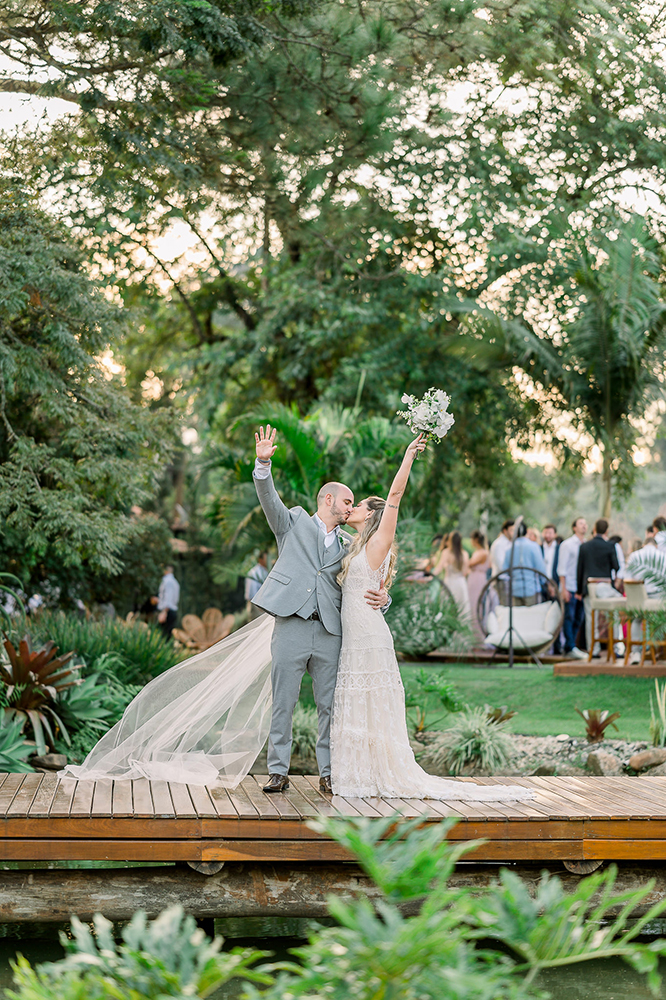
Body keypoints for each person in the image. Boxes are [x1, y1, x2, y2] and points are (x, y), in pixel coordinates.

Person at [60, 428, 533, 804]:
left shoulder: (353, 546)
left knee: (331, 707)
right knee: (282, 703)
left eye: (355, 505)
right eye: (347, 501)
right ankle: (279, 774)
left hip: (331, 633)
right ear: (329, 500)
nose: (351, 508)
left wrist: (382, 599)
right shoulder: (294, 524)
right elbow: (268, 499)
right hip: (289, 627)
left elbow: (368, 576)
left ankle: (330, 776)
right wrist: (263, 465)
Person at [329, 435, 532, 802]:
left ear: (372, 514)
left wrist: (408, 456)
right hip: (355, 635)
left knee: (371, 702)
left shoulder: (379, 541)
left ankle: (378, 776)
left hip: (369, 637)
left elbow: (394, 498)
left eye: (358, 505)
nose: (353, 508)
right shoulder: (354, 544)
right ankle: (360, 775)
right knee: (359, 704)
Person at [576, 519, 621, 656]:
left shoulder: (584, 546)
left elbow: (580, 570)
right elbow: (616, 567)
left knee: (591, 618)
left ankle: (593, 649)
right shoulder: (610, 546)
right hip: (606, 586)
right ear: (607, 531)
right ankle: (616, 648)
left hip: (590, 587)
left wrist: (579, 591)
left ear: (594, 529)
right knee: (613, 615)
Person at [558, 517, 588, 660]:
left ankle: (570, 646)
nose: (584, 526)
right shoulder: (567, 545)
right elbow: (562, 568)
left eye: (585, 523)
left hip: (580, 588)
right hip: (569, 587)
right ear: (574, 527)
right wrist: (563, 589)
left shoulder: (586, 544)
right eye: (581, 523)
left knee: (578, 618)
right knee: (569, 617)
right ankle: (569, 646)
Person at [501, 523, 547, 606]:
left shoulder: (509, 548)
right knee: (531, 616)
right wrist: (544, 582)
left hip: (515, 589)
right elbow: (541, 568)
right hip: (531, 589)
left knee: (518, 616)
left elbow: (504, 570)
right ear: (526, 532)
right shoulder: (533, 546)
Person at [431, 531, 471, 619]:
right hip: (461, 583)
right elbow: (465, 572)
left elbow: (438, 568)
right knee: (461, 609)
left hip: (450, 583)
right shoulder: (465, 554)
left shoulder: (447, 552)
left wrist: (430, 575)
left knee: (448, 608)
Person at [466, 530, 491, 639]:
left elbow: (470, 564)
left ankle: (478, 636)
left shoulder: (483, 553)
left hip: (478, 580)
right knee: (471, 604)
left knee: (477, 604)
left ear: (476, 540)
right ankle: (472, 634)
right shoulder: (478, 552)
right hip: (473, 579)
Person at [490, 519, 515, 604]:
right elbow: (501, 566)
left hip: (508, 580)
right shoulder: (499, 544)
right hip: (502, 580)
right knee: (505, 607)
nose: (514, 533)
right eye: (511, 530)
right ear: (505, 531)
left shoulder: (509, 543)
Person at [245, 551, 269, 621]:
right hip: (257, 606)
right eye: (266, 558)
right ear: (260, 560)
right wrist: (259, 606)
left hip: (264, 605)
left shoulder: (265, 571)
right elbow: (252, 593)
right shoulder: (254, 572)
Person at [157, 565, 180, 639]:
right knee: (168, 635)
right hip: (172, 611)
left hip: (167, 611)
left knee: (164, 636)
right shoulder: (175, 582)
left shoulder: (167, 581)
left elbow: (168, 598)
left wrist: (164, 612)